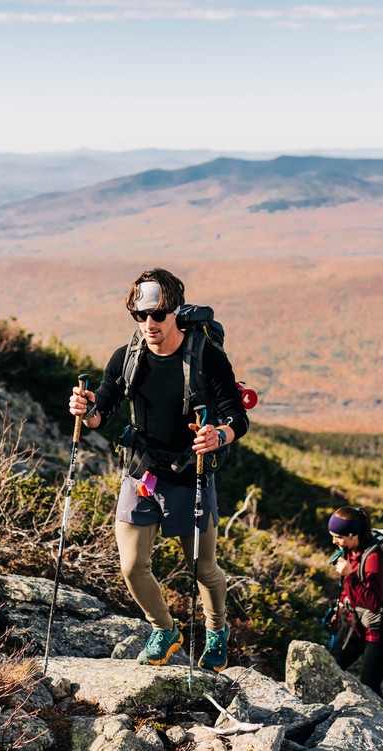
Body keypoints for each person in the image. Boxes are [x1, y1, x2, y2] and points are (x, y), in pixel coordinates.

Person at [68, 268, 248, 672]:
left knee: (202, 567)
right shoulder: (127, 357)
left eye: (157, 315)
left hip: (191, 474)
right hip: (142, 471)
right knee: (132, 567)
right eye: (139, 316)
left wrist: (219, 434)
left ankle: (216, 631)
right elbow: (105, 408)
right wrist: (87, 409)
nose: (149, 324)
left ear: (174, 311)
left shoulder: (206, 358)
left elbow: (238, 416)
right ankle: (164, 630)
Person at [326, 505, 383, 696]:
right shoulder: (349, 549)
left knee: (370, 687)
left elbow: (374, 603)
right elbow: (348, 590)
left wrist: (350, 575)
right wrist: (339, 607)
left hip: (378, 631)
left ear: (352, 534)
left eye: (338, 537)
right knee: (331, 666)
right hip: (355, 622)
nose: (334, 541)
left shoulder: (373, 558)